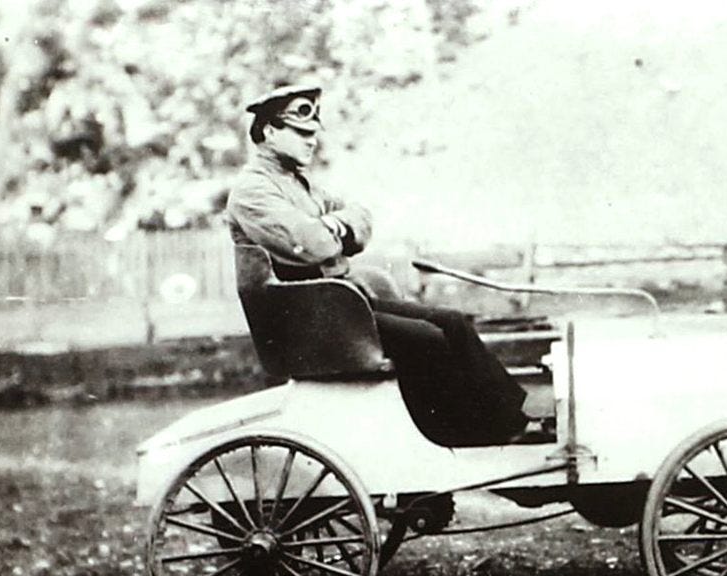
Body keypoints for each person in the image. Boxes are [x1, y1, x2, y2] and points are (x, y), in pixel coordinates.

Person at [225, 84, 529, 447]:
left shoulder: (298, 184)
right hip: (306, 320)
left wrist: (333, 223)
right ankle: (457, 434)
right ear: (270, 132)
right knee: (427, 340)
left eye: (314, 135)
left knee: (453, 322)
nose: (312, 142)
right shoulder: (253, 190)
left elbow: (362, 219)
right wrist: (333, 227)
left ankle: (510, 422)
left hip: (338, 305)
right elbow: (314, 246)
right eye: (303, 133)